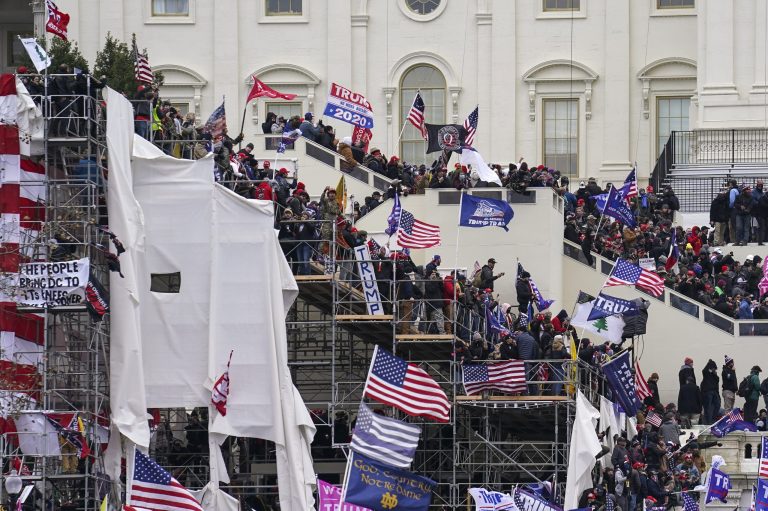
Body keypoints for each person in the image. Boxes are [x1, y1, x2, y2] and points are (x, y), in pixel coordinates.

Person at [700, 359, 720, 424]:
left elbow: (717, 380)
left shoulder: (714, 374)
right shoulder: (706, 372)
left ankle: (712, 420)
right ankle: (709, 422)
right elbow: (704, 371)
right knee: (708, 407)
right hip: (708, 391)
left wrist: (714, 373)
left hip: (714, 391)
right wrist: (710, 366)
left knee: (717, 405)